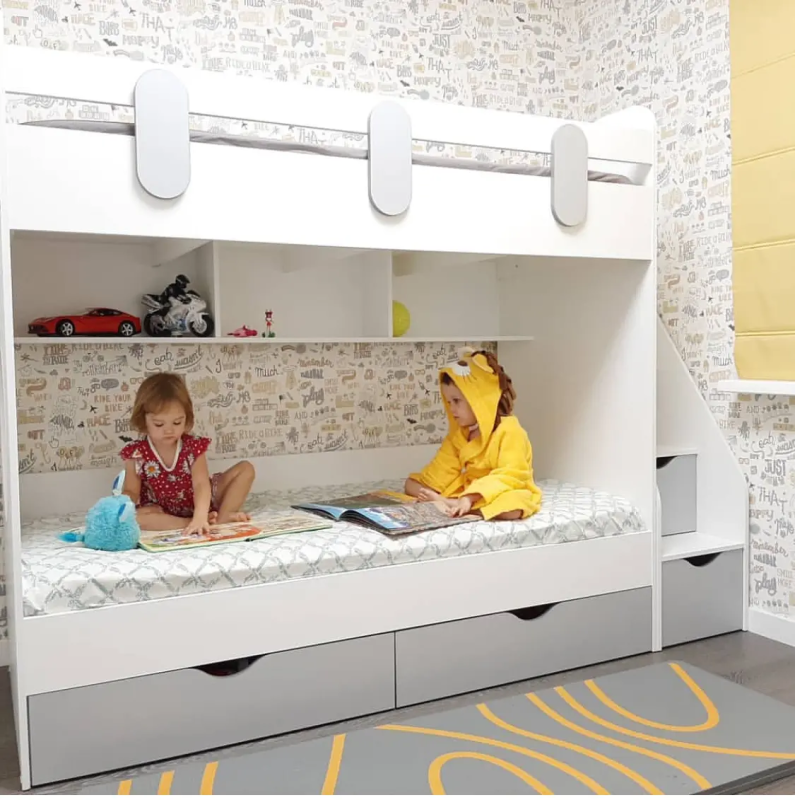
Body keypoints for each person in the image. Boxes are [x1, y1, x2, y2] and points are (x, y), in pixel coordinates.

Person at [404, 349, 542, 520]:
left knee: (514, 505)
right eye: (448, 402)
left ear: (480, 400)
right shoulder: (460, 435)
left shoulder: (510, 430)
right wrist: (427, 488)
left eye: (457, 401)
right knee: (411, 484)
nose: (452, 408)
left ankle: (453, 505)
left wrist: (470, 497)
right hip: (468, 491)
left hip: (502, 488)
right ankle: (455, 503)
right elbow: (440, 471)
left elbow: (511, 474)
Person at [120, 372, 255, 533]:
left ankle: (223, 516)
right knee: (136, 518)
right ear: (143, 420)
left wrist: (201, 514)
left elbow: (201, 484)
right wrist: (121, 507)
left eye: (177, 422)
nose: (169, 430)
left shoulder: (192, 447)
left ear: (186, 417)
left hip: (202, 502)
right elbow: (131, 491)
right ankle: (188, 523)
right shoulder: (136, 454)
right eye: (159, 424)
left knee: (246, 469)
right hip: (163, 510)